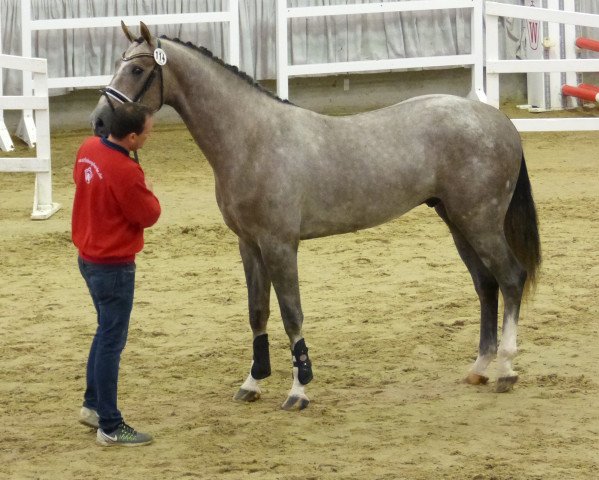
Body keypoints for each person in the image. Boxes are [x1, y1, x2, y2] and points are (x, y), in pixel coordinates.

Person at [72, 102, 161, 447]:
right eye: (148, 133)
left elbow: (80, 179)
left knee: (104, 333)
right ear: (133, 136)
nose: (149, 137)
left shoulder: (88, 147)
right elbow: (148, 214)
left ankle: (94, 405)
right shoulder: (127, 171)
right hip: (113, 265)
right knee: (112, 340)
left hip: (89, 256)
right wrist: (148, 189)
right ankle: (109, 424)